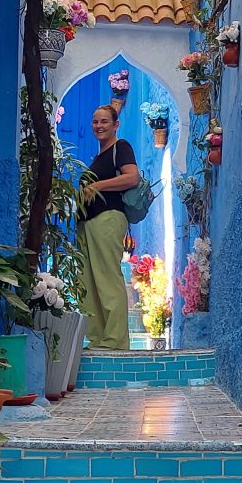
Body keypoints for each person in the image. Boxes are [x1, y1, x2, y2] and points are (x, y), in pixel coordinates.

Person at [78, 105, 140, 350]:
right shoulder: (99, 156)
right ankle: (98, 338)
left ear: (116, 124)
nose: (99, 126)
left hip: (108, 219)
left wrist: (97, 186)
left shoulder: (120, 147)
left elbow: (132, 177)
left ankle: (115, 340)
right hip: (89, 224)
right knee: (89, 282)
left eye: (104, 121)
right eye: (95, 122)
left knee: (106, 278)